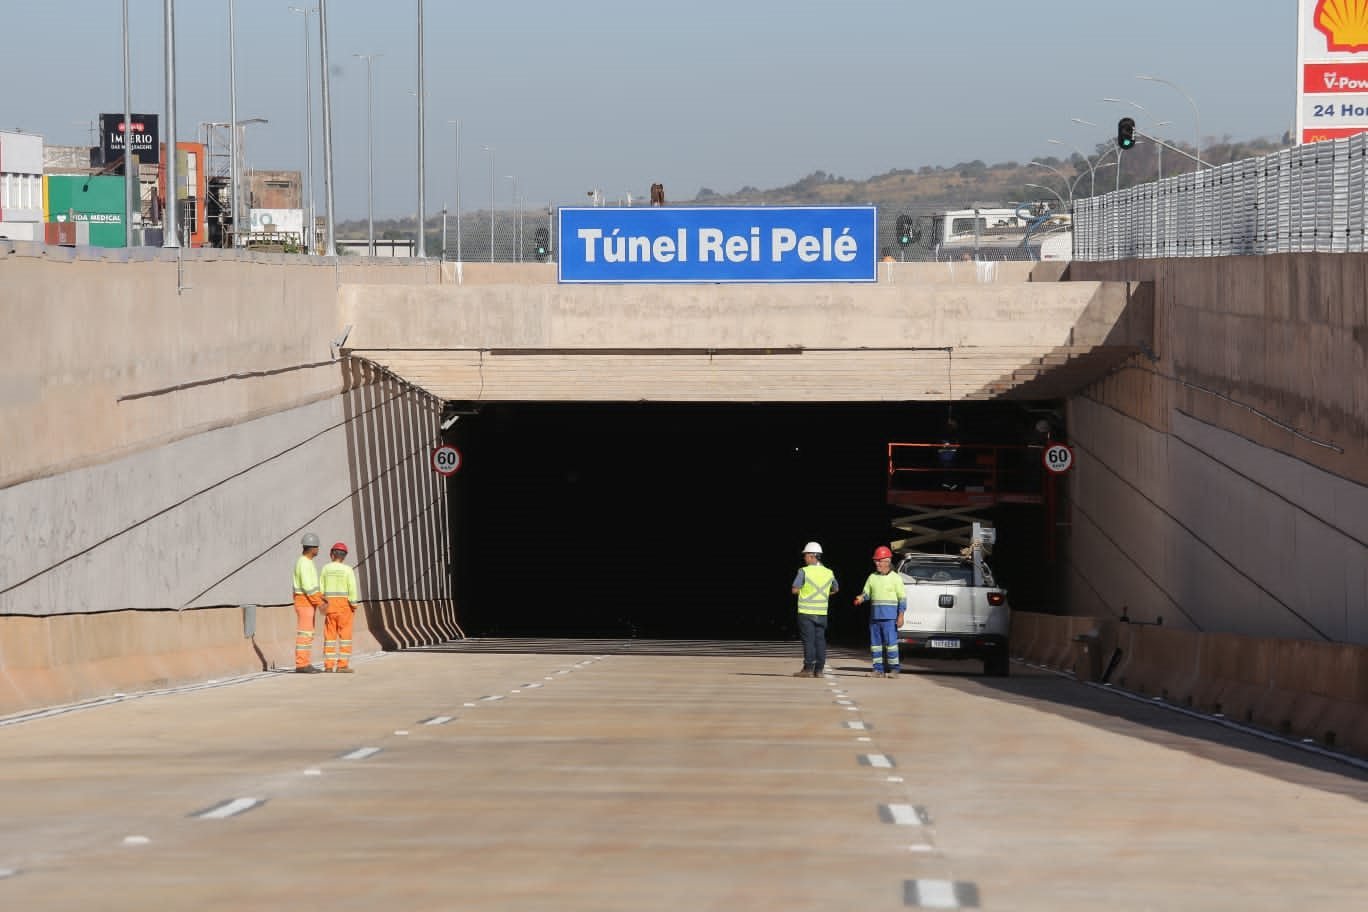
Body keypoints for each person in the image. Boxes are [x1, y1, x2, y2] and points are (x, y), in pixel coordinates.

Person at [853, 545, 906, 677]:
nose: (876, 563)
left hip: (889, 618)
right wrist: (861, 598)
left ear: (887, 561)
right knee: (875, 645)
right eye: (875, 561)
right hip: (875, 618)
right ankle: (878, 670)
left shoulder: (896, 578)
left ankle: (894, 670)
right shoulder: (872, 577)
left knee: (891, 645)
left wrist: (901, 616)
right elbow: (866, 593)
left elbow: (902, 599)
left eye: (879, 560)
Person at [791, 541, 838, 678]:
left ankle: (808, 669)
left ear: (812, 556)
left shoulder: (804, 571)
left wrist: (806, 594)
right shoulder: (829, 572)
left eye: (806, 555)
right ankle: (819, 670)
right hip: (822, 612)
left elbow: (795, 590)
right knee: (820, 640)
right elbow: (835, 589)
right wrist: (822, 595)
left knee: (809, 641)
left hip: (806, 612)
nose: (804, 558)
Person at [319, 542, 360, 673]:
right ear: (344, 556)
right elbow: (352, 588)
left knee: (329, 636)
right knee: (345, 636)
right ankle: (342, 665)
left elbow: (321, 588)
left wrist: (322, 604)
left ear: (332, 554)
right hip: (345, 606)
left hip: (330, 605)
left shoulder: (326, 568)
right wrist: (353, 604)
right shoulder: (348, 570)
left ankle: (328, 665)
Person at [291, 533, 325, 673]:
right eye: (317, 547)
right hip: (304, 602)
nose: (318, 549)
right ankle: (301, 664)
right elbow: (307, 586)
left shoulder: (307, 562)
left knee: (308, 634)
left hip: (308, 602)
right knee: (305, 634)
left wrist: (321, 598)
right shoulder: (304, 563)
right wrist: (319, 602)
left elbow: (312, 586)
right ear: (312, 548)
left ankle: (305, 662)